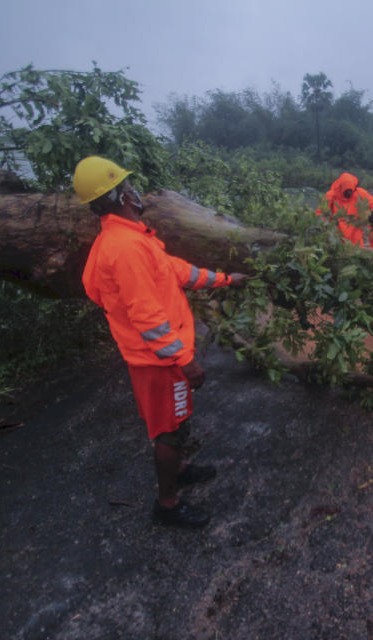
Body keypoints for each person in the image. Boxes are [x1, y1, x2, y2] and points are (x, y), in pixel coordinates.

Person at [73, 156, 248, 529]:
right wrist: (184, 359)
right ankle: (167, 505)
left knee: (175, 422)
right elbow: (146, 315)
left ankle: (180, 469)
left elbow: (176, 272)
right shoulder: (125, 248)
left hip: (155, 358)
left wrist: (225, 279)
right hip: (159, 363)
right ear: (121, 195)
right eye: (129, 187)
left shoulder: (126, 240)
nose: (136, 192)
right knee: (169, 430)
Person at [315, 172, 373, 246]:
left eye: (351, 191)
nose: (349, 193)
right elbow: (320, 212)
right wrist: (325, 226)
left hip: (355, 232)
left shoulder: (360, 193)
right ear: (341, 188)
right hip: (337, 233)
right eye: (346, 191)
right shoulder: (331, 195)